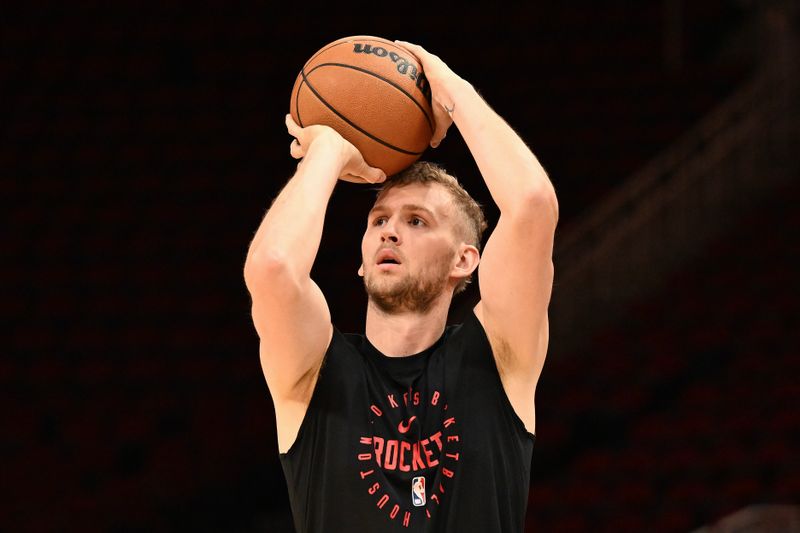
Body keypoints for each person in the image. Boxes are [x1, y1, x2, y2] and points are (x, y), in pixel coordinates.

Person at [244, 40, 558, 532]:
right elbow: (272, 267)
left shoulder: (500, 354)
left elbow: (533, 205)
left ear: (464, 260)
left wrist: (450, 86)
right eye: (379, 219)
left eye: (417, 221)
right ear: (363, 261)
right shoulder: (313, 369)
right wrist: (328, 148)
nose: (389, 230)